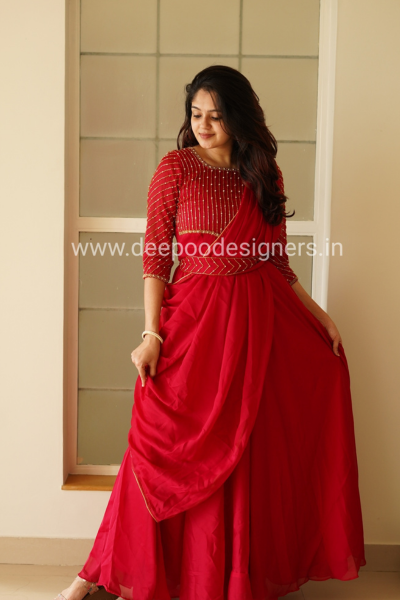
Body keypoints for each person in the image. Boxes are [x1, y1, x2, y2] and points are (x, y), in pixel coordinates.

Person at [54, 65, 366, 600]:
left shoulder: (264, 172)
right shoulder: (175, 168)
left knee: (244, 451)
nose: (203, 125)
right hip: (194, 323)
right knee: (157, 445)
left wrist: (321, 317)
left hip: (258, 322)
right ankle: (98, 570)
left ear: (239, 118)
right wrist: (151, 334)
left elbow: (278, 262)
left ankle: (222, 578)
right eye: (196, 114)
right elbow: (156, 258)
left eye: (216, 117)